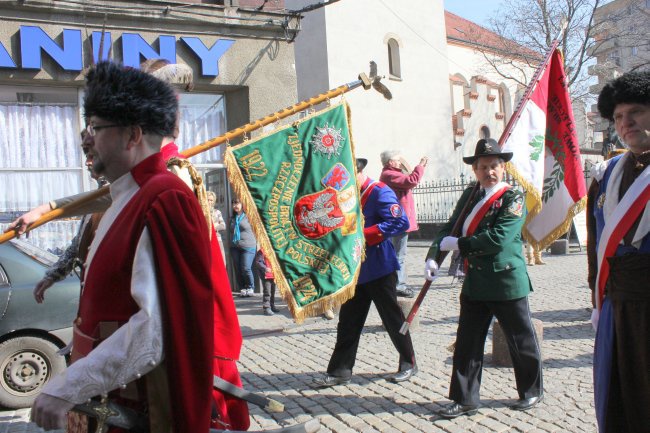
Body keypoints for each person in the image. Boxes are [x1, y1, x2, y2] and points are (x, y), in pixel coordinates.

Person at [8, 61, 249, 430]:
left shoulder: (165, 197)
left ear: (133, 135)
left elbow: (156, 329)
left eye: (95, 128)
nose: (86, 139)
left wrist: (68, 385)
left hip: (139, 403)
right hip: (108, 395)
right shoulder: (127, 194)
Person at [426, 138, 543, 418]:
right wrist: (433, 254)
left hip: (505, 282)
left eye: (494, 166)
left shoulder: (513, 198)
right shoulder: (470, 196)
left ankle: (531, 391)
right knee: (467, 342)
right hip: (476, 282)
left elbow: (499, 238)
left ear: (503, 169)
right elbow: (450, 226)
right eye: (482, 167)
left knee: (520, 340)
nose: (489, 172)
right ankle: (465, 399)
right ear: (475, 171)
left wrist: (460, 246)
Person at [313, 158, 417, 387]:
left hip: (379, 268)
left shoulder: (379, 191)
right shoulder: (347, 197)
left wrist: (363, 234)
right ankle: (340, 370)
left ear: (359, 173)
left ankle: (408, 362)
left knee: (392, 319)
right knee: (348, 322)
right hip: (355, 271)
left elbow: (400, 221)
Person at [588, 70, 649, 433]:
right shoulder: (608, 174)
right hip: (616, 305)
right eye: (619, 117)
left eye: (636, 112)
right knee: (619, 397)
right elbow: (597, 242)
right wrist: (597, 296)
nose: (626, 123)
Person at [33, 130, 106, 304]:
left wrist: (45, 210)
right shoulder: (96, 197)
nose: (87, 163)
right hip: (91, 290)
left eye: (92, 156)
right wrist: (52, 276)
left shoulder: (114, 195)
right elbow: (78, 244)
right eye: (87, 156)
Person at [379, 150, 428, 298]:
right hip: (398, 221)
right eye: (397, 160)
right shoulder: (389, 175)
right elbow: (411, 180)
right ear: (390, 162)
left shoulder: (392, 173)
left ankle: (394, 283)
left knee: (397, 254)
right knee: (398, 255)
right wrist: (420, 166)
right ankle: (398, 285)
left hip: (399, 220)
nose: (400, 162)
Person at [230, 198, 257, 298]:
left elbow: (257, 230)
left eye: (237, 203)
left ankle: (250, 286)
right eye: (233, 203)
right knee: (237, 268)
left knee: (246, 268)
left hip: (248, 246)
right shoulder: (233, 218)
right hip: (235, 246)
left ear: (242, 204)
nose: (235, 205)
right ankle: (243, 287)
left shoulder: (249, 216)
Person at [254, 249, 279, 316]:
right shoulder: (261, 251)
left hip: (273, 274)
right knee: (267, 292)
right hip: (266, 275)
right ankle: (266, 308)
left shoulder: (274, 249)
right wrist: (265, 268)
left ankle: (272, 305)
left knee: (272, 291)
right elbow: (258, 262)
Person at [207, 190, 227, 259]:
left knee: (221, 260)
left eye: (211, 200)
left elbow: (223, 226)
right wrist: (214, 224)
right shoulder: (201, 212)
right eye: (208, 200)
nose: (209, 202)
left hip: (218, 240)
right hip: (206, 241)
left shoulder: (217, 212)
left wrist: (213, 227)